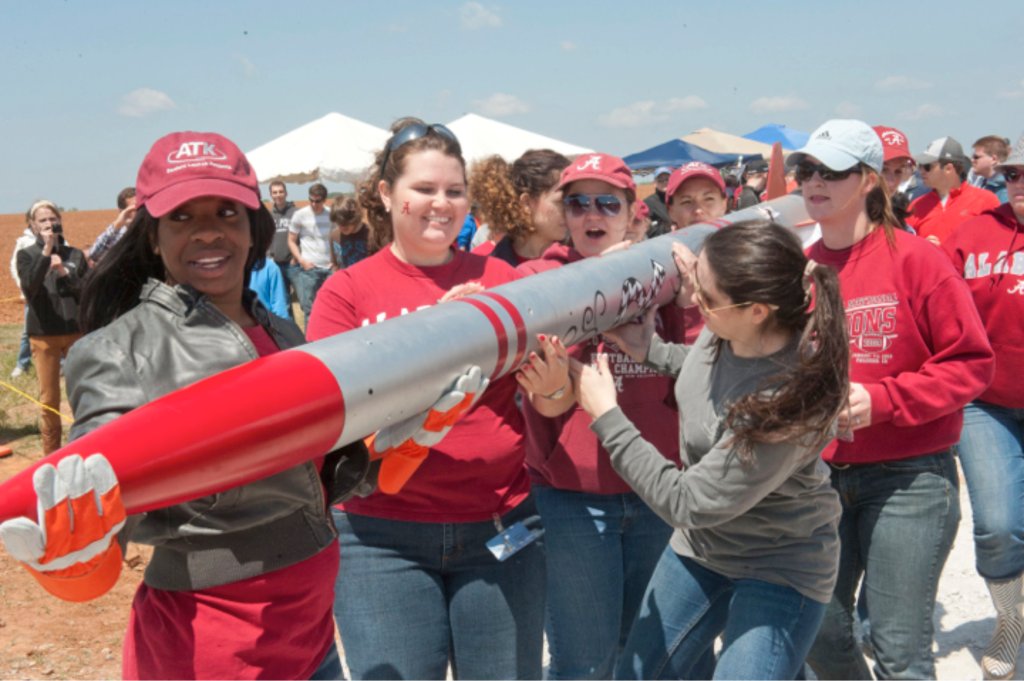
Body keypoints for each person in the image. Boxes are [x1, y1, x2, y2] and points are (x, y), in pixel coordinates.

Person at [0, 131, 375, 680]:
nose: (208, 230)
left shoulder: (284, 332)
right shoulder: (115, 352)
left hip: (314, 644)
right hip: (209, 658)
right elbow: (98, 493)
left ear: (253, 229)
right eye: (181, 216)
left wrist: (382, 446)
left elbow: (310, 482)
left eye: (227, 211)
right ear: (153, 237)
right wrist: (80, 554)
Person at [306, 118, 549, 680]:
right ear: (387, 195)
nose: (441, 203)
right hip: (380, 538)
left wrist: (556, 384)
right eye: (424, 189)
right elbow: (330, 419)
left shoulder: (503, 278)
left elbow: (548, 401)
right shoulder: (347, 291)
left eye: (454, 191)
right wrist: (433, 337)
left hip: (501, 522)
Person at [575, 219, 848, 680]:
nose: (695, 300)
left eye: (706, 296)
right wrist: (653, 351)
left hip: (780, 564)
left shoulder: (785, 398)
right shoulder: (728, 331)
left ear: (758, 310)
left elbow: (687, 501)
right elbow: (705, 370)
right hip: (703, 549)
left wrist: (607, 416)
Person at [792, 119, 995, 679]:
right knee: (818, 634)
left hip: (908, 477)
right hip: (818, 479)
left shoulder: (915, 260)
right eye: (807, 170)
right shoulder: (799, 272)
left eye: (831, 171)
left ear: (868, 181)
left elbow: (971, 365)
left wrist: (881, 401)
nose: (814, 182)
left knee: (900, 652)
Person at [517, 152, 683, 679]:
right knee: (583, 663)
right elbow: (542, 394)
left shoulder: (663, 272)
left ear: (635, 211)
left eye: (608, 202)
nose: (593, 214)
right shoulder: (537, 277)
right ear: (562, 213)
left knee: (651, 655)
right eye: (577, 202)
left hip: (657, 490)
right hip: (573, 496)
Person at [943, 132, 1024, 680]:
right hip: (986, 403)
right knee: (997, 525)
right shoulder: (973, 232)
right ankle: (1010, 621)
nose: (1021, 184)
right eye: (1015, 174)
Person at [16, 200, 88, 454]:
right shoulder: (27, 256)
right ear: (33, 226)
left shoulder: (75, 255)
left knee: (83, 392)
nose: (48, 224)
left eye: (52, 219)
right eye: (42, 220)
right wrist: (46, 253)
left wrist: (63, 272)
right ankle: (53, 455)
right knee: (49, 400)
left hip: (75, 334)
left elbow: (85, 292)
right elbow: (30, 287)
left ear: (59, 221)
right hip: (43, 336)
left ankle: (85, 447)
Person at [469, 149, 571, 266]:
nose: (571, 210)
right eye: (561, 201)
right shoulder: (482, 263)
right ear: (526, 203)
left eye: (574, 201)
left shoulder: (582, 258)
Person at [907, 136, 1000, 245]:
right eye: (920, 166)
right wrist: (923, 247)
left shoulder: (986, 201)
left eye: (927, 166)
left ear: (948, 169)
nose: (921, 171)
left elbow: (997, 244)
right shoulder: (915, 206)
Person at [288, 183, 333, 323]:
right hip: (309, 269)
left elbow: (337, 238)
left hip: (330, 268)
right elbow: (291, 240)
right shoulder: (300, 215)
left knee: (331, 308)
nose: (314, 204)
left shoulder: (331, 214)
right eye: (311, 200)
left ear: (324, 199)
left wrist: (335, 262)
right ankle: (311, 342)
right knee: (310, 310)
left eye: (317, 201)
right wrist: (301, 260)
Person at [9, 224, 36, 378]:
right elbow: (15, 266)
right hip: (31, 293)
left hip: (53, 294)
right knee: (27, 331)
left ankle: (61, 363)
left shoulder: (59, 239)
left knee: (57, 328)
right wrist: (23, 288)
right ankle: (22, 363)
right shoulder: (23, 242)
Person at [268, 180, 298, 314]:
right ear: (271, 195)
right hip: (277, 264)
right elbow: (266, 238)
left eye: (281, 192)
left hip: (295, 263)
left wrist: (296, 257)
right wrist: (270, 257)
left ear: (286, 193)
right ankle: (290, 332)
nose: (278, 195)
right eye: (275, 192)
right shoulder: (268, 216)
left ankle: (310, 334)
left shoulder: (296, 213)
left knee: (304, 301)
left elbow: (303, 236)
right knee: (284, 303)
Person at [87, 187, 136, 266]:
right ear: (121, 212)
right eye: (133, 209)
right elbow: (94, 254)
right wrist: (117, 225)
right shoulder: (115, 235)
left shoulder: (150, 230)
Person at [970, 135, 1011, 203]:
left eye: (976, 157)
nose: (972, 160)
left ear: (993, 159)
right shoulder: (982, 183)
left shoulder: (1004, 190)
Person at [643, 166, 673, 237]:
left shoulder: (678, 198)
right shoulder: (648, 203)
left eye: (667, 179)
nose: (664, 182)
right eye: (660, 180)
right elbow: (646, 229)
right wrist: (667, 229)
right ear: (654, 183)